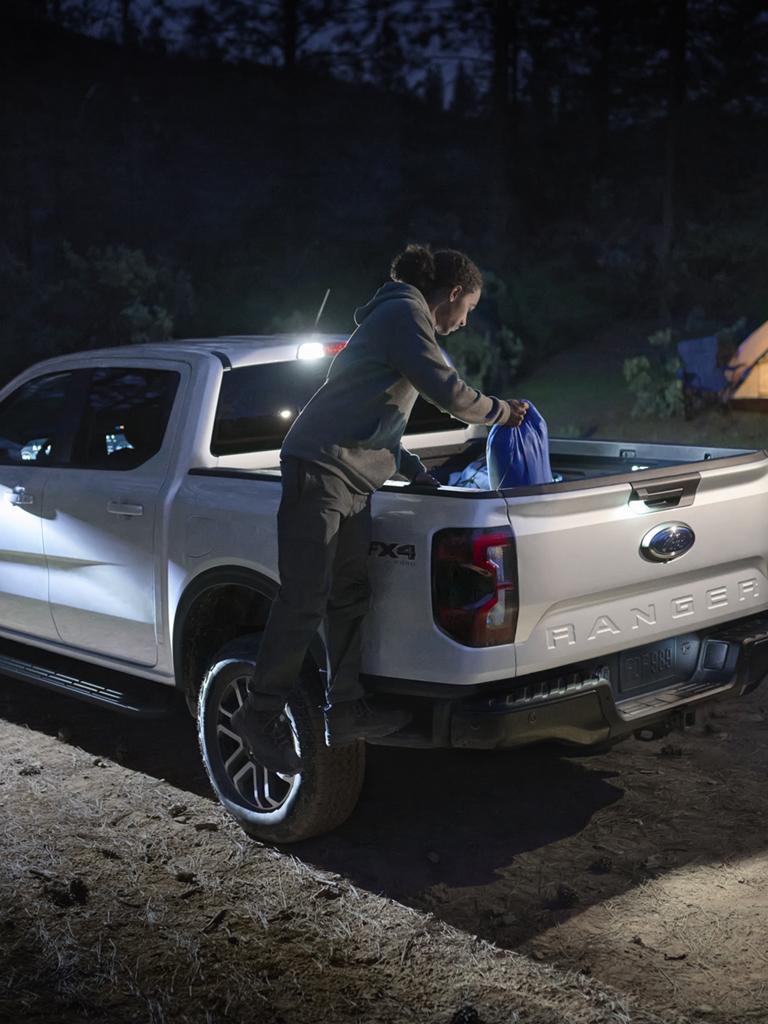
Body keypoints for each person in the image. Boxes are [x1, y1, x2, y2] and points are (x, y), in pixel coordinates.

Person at [231, 243, 528, 773]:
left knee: (349, 593)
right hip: (319, 471)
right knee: (304, 599)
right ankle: (259, 715)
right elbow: (450, 393)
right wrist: (503, 412)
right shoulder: (403, 314)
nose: (465, 320)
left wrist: (414, 471)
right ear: (454, 292)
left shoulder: (399, 320)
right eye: (470, 308)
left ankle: (344, 710)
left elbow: (373, 416)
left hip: (353, 477)